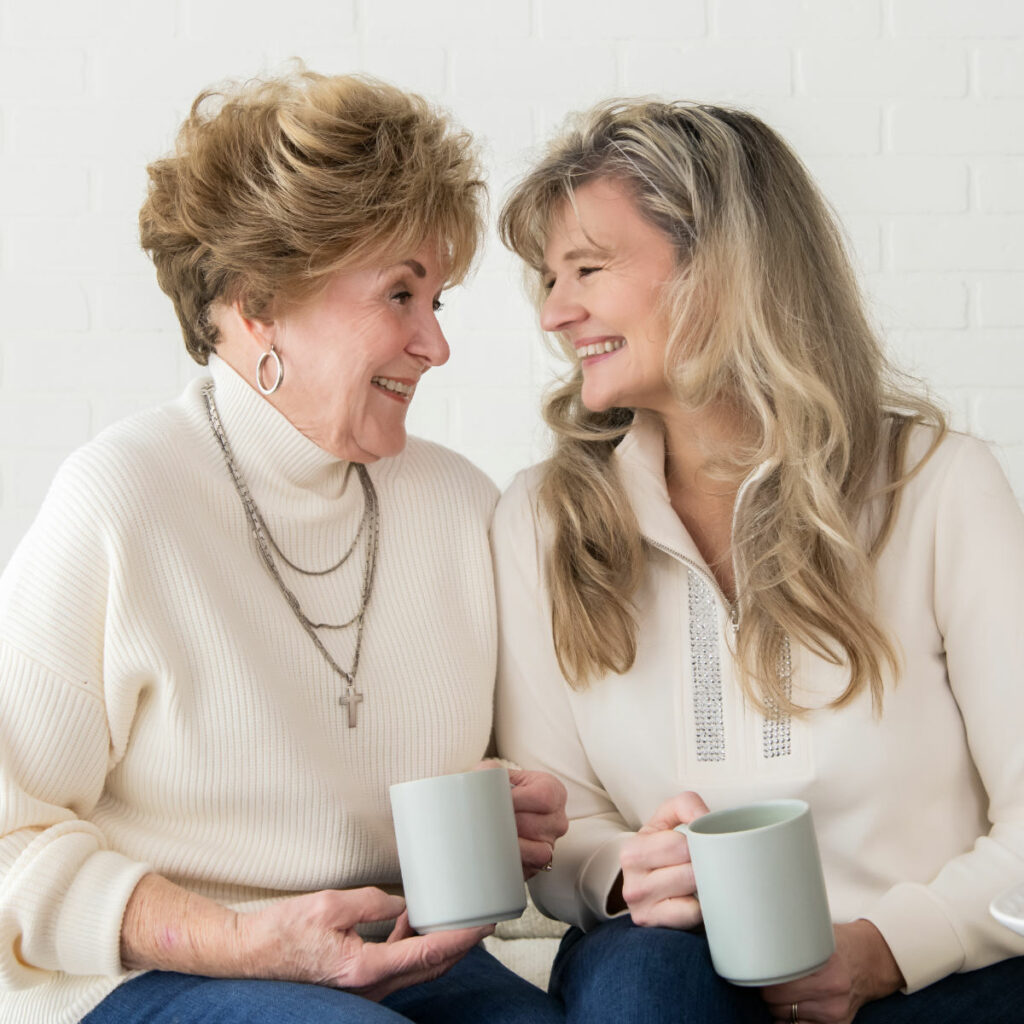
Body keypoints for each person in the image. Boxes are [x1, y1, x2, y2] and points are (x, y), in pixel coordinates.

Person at [0, 70, 568, 1024]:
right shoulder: (123, 500)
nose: (435, 344)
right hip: (168, 972)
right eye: (400, 294)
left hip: (410, 949)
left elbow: (509, 771)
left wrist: (513, 800)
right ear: (260, 301)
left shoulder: (457, 503)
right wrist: (239, 939)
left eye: (440, 300)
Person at [492, 98, 1024, 1024]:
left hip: (930, 972)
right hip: (678, 974)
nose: (554, 312)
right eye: (548, 278)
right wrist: (622, 873)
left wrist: (887, 951)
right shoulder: (543, 520)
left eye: (588, 268)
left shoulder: (937, 485)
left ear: (723, 269)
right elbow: (563, 828)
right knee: (643, 985)